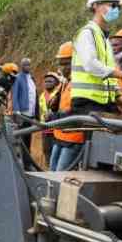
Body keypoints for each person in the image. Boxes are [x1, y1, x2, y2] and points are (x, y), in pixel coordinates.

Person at [49, 42, 85, 172]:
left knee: (60, 175)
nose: (61, 68)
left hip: (73, 138)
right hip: (59, 135)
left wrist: (54, 117)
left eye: (65, 63)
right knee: (52, 172)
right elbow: (55, 105)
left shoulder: (81, 82)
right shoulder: (65, 82)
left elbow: (78, 112)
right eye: (60, 63)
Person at [11, 58, 36, 167]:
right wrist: (17, 112)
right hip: (22, 114)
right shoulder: (18, 78)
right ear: (21, 66)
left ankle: (27, 163)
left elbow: (35, 96)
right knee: (21, 141)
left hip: (30, 115)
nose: (27, 67)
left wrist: (36, 114)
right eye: (25, 65)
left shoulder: (32, 79)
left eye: (29, 65)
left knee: (28, 139)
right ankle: (21, 165)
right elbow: (14, 96)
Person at [39, 72, 62, 165]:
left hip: (55, 128)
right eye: (46, 81)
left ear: (56, 83)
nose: (47, 83)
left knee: (55, 151)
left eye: (50, 81)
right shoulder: (41, 96)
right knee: (46, 150)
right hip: (44, 128)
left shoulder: (58, 95)